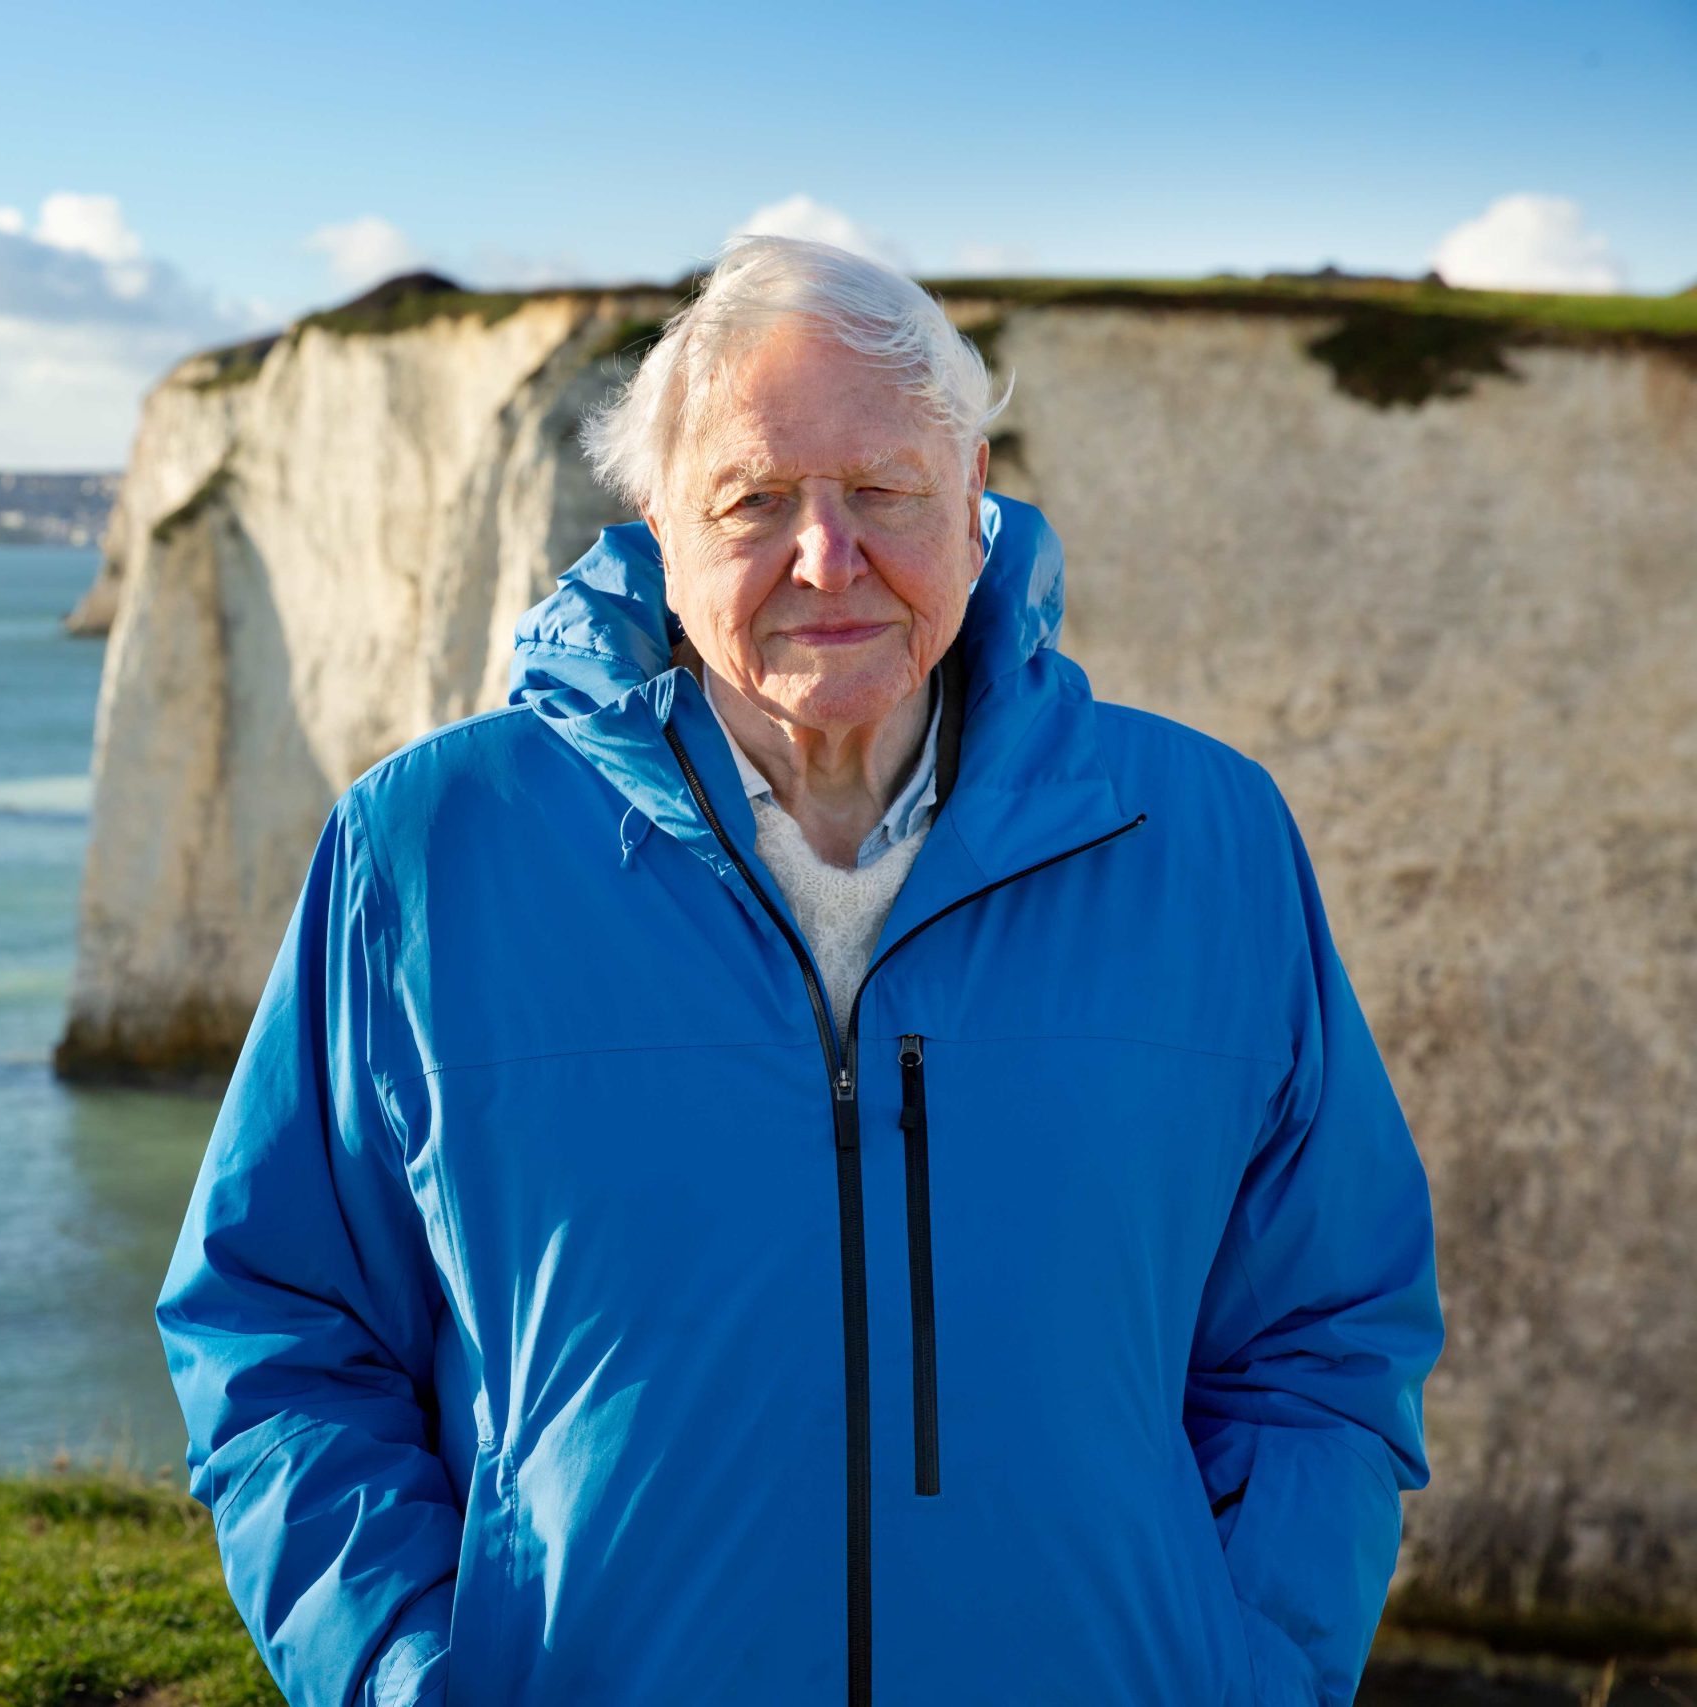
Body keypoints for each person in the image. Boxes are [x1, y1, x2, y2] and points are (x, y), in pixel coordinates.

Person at [154, 233, 1444, 1706]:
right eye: (754, 500)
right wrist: (403, 1676)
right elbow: (279, 1331)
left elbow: (1324, 1332)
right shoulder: (429, 850)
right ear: (657, 523)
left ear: (974, 508)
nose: (826, 557)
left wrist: (1250, 1673)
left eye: (884, 492)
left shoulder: (1207, 841)